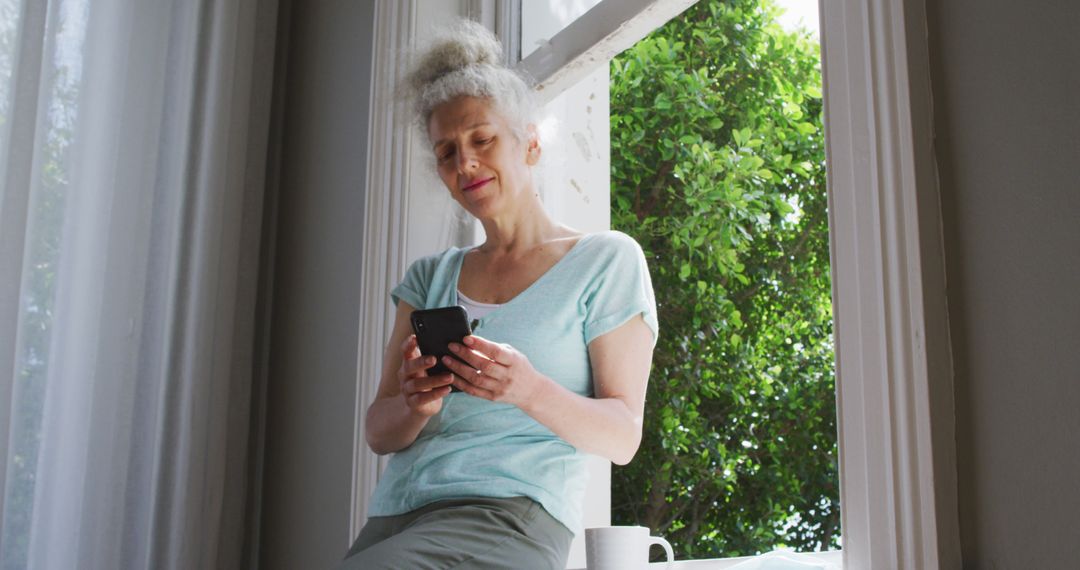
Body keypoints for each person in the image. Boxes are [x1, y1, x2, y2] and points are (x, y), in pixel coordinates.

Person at [338, 19, 658, 570]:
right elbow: (378, 431)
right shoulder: (429, 277)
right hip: (397, 519)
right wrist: (417, 406)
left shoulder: (605, 260)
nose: (465, 163)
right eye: (446, 152)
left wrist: (528, 389)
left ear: (529, 142)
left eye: (482, 139)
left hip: (509, 517)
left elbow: (623, 436)